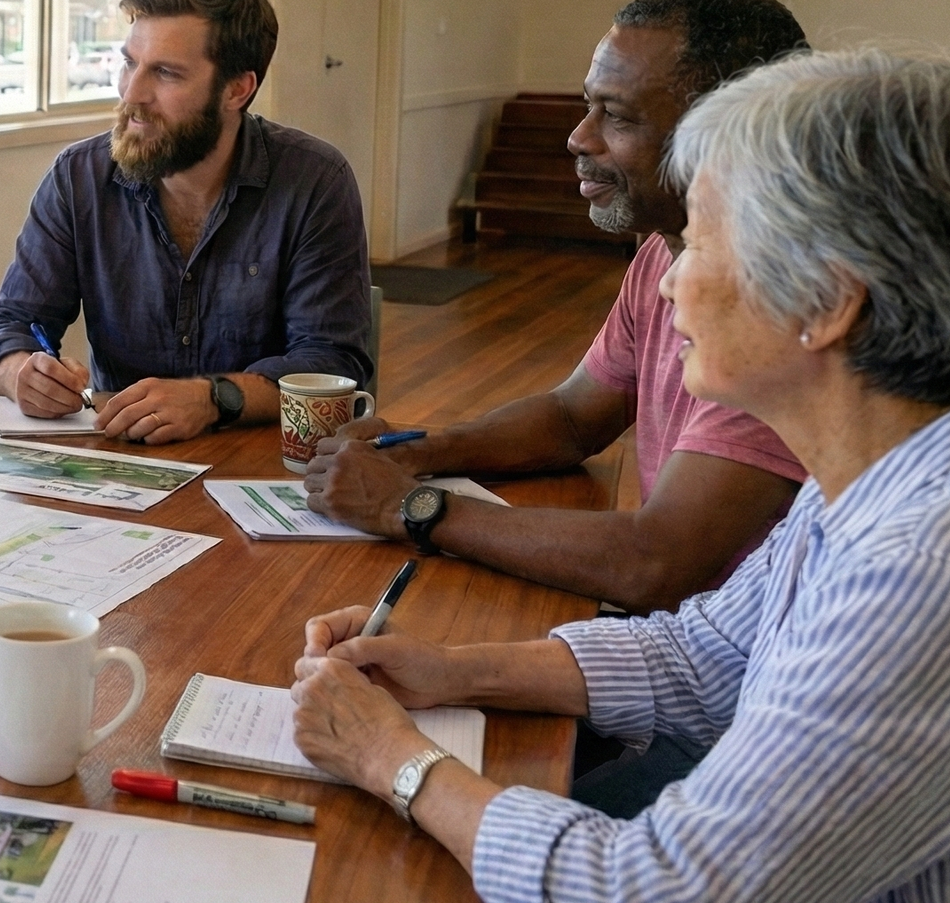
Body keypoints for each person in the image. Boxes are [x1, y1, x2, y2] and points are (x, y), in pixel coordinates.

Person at [289, 46, 950, 902]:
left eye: (702, 243)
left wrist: (393, 758)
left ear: (827, 301)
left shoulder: (916, 570)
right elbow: (703, 653)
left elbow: (651, 888)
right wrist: (451, 668)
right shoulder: (873, 480)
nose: (669, 279)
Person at [304, 0, 809, 622]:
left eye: (617, 116)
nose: (578, 136)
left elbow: (657, 562)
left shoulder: (782, 302)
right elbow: (574, 417)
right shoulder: (665, 248)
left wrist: (406, 507)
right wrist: (418, 452)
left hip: (725, 671)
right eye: (588, 106)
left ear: (726, 135)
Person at [0, 0, 371, 445]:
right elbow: (9, 324)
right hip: (121, 457)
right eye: (129, 63)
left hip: (257, 461)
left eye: (165, 73)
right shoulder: (80, 178)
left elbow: (331, 363)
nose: (132, 94)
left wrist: (210, 399)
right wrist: (20, 375)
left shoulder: (314, 182)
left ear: (236, 90)